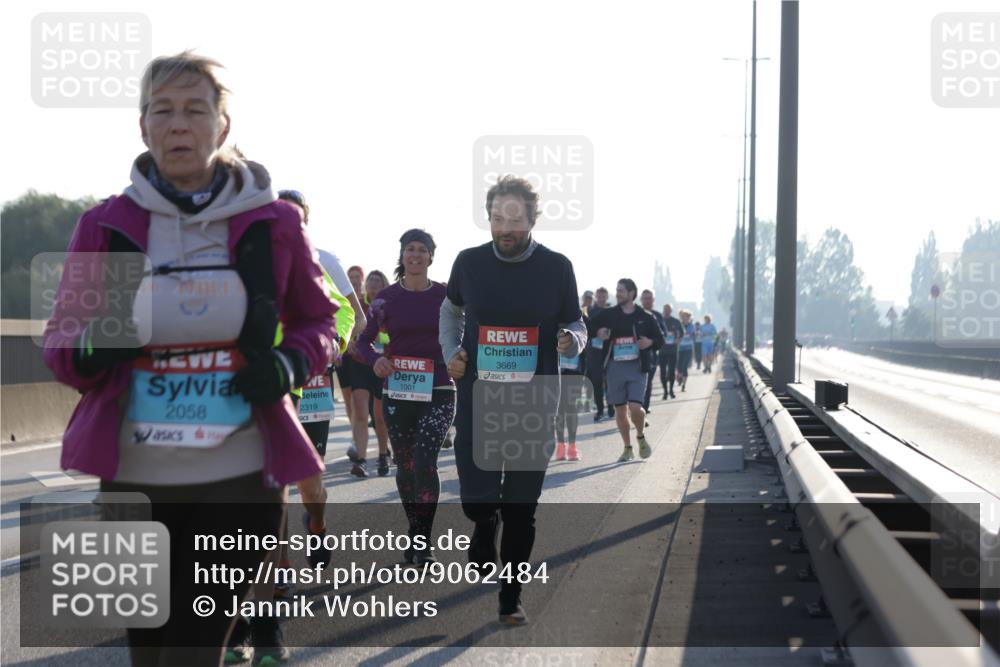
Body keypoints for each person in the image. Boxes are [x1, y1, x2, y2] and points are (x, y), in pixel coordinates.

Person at [42, 52, 335, 666]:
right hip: (133, 474)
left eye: (195, 110)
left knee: (191, 654)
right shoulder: (108, 224)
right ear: (142, 126)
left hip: (239, 471)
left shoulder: (273, 222)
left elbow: (318, 321)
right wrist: (97, 344)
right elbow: (63, 343)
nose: (178, 125)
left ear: (222, 126)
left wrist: (287, 364)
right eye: (163, 110)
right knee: (148, 655)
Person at [440, 175, 586, 625]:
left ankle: (511, 595)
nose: (505, 227)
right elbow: (451, 311)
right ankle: (484, 527)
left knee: (522, 508)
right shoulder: (468, 263)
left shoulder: (557, 267)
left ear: (532, 220)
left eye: (515, 219)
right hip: (479, 399)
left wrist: (570, 341)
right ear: (488, 219)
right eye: (497, 218)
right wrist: (451, 354)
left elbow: (576, 324)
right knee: (478, 502)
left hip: (535, 402)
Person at [360, 229, 456, 564]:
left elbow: (465, 333)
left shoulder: (446, 297)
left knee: (426, 459)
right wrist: (377, 360)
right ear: (402, 256)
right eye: (409, 250)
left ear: (431, 256)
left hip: (440, 389)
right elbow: (363, 341)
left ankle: (423, 542)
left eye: (422, 250)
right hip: (399, 391)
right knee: (406, 464)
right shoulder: (385, 299)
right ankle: (414, 531)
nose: (415, 255)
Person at [591, 279, 664, 462]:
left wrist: (650, 342)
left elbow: (660, 339)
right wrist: (598, 332)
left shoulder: (646, 317)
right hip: (614, 367)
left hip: (638, 367)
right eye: (617, 290)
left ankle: (640, 436)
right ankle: (627, 447)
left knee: (635, 407)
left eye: (621, 291)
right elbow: (589, 325)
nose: (618, 294)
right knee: (621, 411)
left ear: (631, 293)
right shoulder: (608, 314)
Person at [347, 270, 392, 477]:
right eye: (370, 281)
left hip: (382, 365)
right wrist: (349, 343)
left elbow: (395, 335)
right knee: (360, 410)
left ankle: (383, 454)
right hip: (360, 364)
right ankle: (361, 460)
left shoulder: (391, 305)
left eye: (377, 281)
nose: (373, 285)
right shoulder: (360, 305)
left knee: (380, 416)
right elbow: (349, 325)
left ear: (385, 284)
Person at [585, 286, 612, 421]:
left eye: (604, 296)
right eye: (599, 296)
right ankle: (600, 410)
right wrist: (597, 332)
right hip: (594, 350)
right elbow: (585, 328)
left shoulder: (612, 311)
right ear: (596, 297)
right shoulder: (590, 311)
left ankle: (612, 406)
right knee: (597, 381)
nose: (601, 298)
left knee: (610, 380)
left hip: (610, 350)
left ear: (607, 297)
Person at [639, 289, 666, 414]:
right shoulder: (635, 313)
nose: (647, 301)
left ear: (653, 300)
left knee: (647, 381)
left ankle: (645, 406)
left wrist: (650, 341)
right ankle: (636, 406)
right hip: (635, 355)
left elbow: (663, 336)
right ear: (641, 300)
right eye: (644, 298)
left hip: (651, 355)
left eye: (649, 298)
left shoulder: (658, 316)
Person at [659, 303, 683, 399]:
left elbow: (681, 333)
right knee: (662, 372)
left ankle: (671, 391)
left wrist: (678, 340)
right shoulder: (659, 320)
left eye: (668, 309)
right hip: (662, 350)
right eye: (665, 309)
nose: (667, 311)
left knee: (671, 371)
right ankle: (665, 391)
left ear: (671, 311)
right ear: (663, 310)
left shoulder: (676, 321)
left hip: (673, 350)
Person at [676, 309, 695, 392]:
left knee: (684, 367)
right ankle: (679, 377)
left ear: (689, 317)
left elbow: (689, 334)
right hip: (680, 349)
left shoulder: (691, 326)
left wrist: (682, 334)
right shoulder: (679, 325)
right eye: (682, 317)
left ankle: (684, 385)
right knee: (679, 367)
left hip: (688, 348)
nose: (684, 318)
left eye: (685, 317)